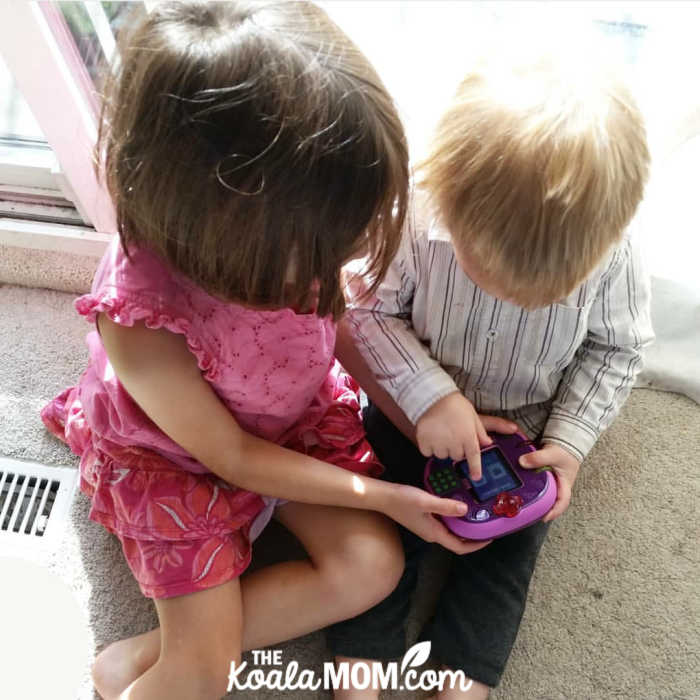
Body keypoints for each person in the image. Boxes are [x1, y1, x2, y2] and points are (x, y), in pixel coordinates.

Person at [39, 3, 484, 698]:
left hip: (289, 417)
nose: (342, 260)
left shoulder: (287, 226)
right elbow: (231, 457)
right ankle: (176, 658)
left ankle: (148, 651)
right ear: (223, 227)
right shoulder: (141, 318)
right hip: (178, 462)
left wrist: (421, 415)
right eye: (325, 251)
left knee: (373, 567)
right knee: (201, 676)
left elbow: (338, 327)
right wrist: (386, 494)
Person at [328, 45, 654, 699]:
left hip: (523, 435)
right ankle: (359, 675)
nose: (510, 297)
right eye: (490, 275)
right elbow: (360, 314)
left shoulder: (613, 256)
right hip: (409, 416)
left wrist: (569, 443)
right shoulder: (413, 218)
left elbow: (616, 351)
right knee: (383, 531)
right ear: (448, 200)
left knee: (507, 557)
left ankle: (461, 683)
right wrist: (430, 397)